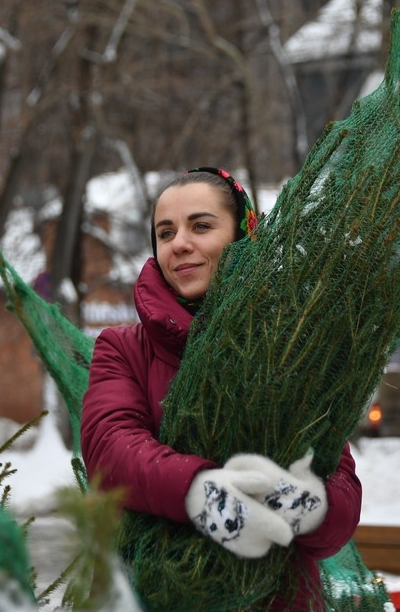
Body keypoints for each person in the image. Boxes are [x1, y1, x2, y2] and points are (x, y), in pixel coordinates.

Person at [81, 167, 362, 610]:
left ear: (243, 235)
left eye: (202, 226)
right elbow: (109, 448)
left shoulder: (291, 345)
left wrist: (316, 507)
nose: (180, 244)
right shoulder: (123, 349)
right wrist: (199, 492)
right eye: (166, 232)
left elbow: (342, 481)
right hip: (163, 596)